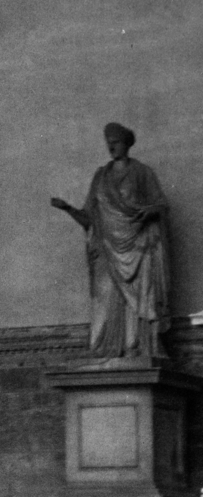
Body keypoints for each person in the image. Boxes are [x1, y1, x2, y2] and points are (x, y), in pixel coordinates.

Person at [51, 123, 171, 361]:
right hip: (106, 249)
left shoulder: (142, 173)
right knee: (105, 299)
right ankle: (105, 349)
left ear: (126, 143)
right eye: (108, 142)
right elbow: (89, 219)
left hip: (137, 249)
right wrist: (67, 208)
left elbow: (161, 205)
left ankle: (137, 347)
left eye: (115, 142)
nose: (111, 146)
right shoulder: (101, 176)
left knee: (138, 302)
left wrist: (149, 212)